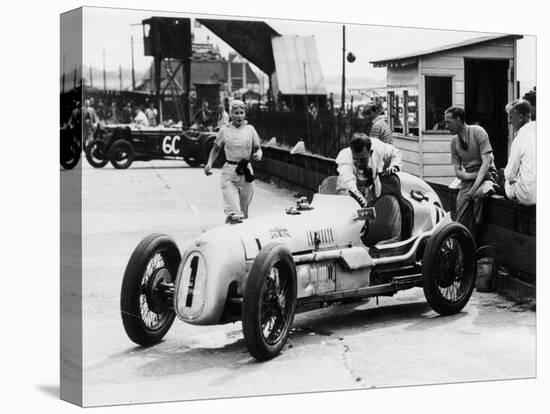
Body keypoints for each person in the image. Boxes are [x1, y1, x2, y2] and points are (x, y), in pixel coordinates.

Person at [335, 132, 403, 245]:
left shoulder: (378, 147)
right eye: (355, 159)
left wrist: (394, 166)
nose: (358, 163)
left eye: (362, 159)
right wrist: (357, 195)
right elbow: (348, 180)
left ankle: (369, 240)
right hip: (350, 191)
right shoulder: (345, 157)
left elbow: (396, 153)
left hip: (371, 187)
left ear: (370, 152)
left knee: (371, 217)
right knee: (349, 219)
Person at [204, 100, 263, 223]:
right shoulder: (224, 130)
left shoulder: (250, 129)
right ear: (231, 114)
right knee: (235, 212)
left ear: (245, 114)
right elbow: (215, 150)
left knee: (244, 212)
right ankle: (230, 223)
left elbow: (258, 148)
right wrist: (209, 163)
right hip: (230, 173)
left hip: (246, 172)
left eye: (242, 112)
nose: (239, 116)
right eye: (236, 113)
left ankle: (241, 236)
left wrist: (258, 154)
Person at [445, 106, 497, 242]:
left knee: (480, 195)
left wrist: (474, 187)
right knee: (461, 213)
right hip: (470, 180)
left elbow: (486, 163)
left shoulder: (478, 132)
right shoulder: (453, 142)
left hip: (487, 177)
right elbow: (458, 173)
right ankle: (463, 247)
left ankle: (477, 238)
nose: (446, 126)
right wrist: (472, 178)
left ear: (458, 119)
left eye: (448, 122)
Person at [497, 99, 536, 205]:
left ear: (520, 117)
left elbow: (509, 175)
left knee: (501, 174)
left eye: (511, 117)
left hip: (528, 196)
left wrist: (510, 177)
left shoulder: (520, 138)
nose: (509, 121)